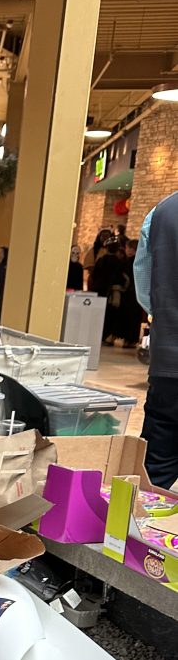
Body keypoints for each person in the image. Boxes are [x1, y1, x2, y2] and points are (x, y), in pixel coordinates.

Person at [134, 192, 178, 488]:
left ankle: (138, 517)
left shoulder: (162, 212)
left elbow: (145, 290)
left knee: (154, 475)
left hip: (169, 362)